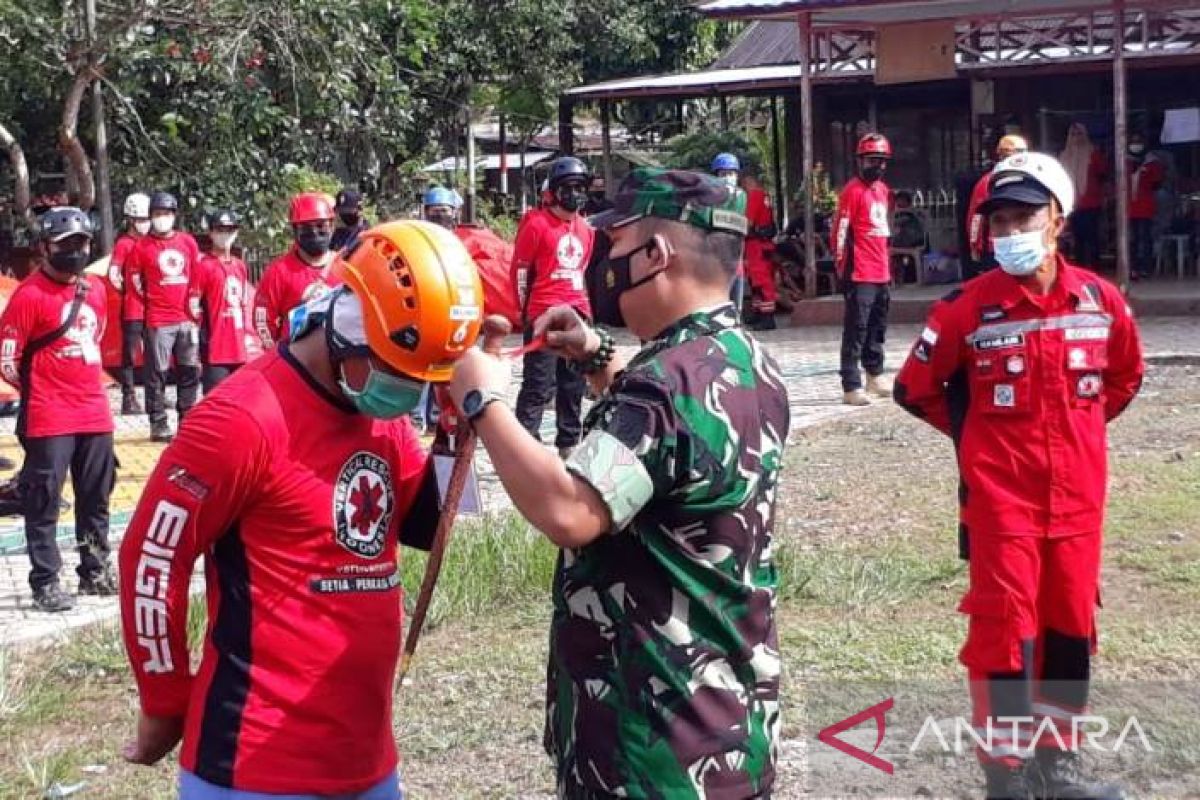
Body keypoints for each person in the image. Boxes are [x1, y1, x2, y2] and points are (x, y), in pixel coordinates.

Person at [447, 167, 787, 799]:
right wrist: (596, 354)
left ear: (656, 256)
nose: (604, 265)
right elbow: (669, 445)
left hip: (653, 746)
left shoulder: (667, 385)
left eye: (618, 248)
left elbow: (570, 509)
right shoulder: (741, 361)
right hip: (724, 725)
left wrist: (481, 401)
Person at [119, 219, 484, 799]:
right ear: (348, 325)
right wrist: (164, 700)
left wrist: (457, 430)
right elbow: (152, 557)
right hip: (258, 769)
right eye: (400, 371)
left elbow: (430, 525)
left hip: (368, 761)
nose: (409, 393)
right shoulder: (242, 418)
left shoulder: (379, 416)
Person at [894, 152, 1143, 800]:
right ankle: (1005, 776)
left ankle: (1058, 769)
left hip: (1078, 504)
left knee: (1068, 633)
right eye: (999, 221)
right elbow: (914, 388)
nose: (1011, 232)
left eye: (1024, 216)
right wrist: (979, 439)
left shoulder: (1101, 301)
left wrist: (1077, 432)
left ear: (1057, 219)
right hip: (1002, 506)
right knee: (1006, 640)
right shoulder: (965, 311)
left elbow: (1121, 379)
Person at [0, 207, 116, 612]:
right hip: (49, 416)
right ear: (46, 248)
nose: (75, 251)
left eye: (81, 244)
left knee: (97, 497)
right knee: (43, 500)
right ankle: (46, 580)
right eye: (65, 245)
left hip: (96, 412)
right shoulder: (28, 296)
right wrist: (44, 386)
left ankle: (95, 569)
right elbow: (8, 360)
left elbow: (97, 336)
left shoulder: (96, 291)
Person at [511, 155, 595, 458]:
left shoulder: (586, 230)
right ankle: (524, 446)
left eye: (580, 187)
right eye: (568, 187)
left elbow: (581, 272)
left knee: (573, 384)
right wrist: (525, 313)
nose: (575, 193)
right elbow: (521, 271)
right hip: (543, 313)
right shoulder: (535, 224)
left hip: (576, 312)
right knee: (538, 384)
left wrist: (586, 315)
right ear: (554, 191)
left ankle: (569, 443)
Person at [130, 191, 201, 443]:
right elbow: (135, 280)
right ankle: (158, 421)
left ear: (174, 216)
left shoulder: (188, 243)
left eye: (166, 214)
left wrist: (193, 300)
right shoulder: (141, 247)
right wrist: (151, 300)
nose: (162, 219)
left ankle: (188, 419)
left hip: (186, 318)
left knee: (189, 370)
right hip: (158, 320)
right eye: (157, 214)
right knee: (156, 373)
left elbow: (196, 274)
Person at [832, 132, 894, 406]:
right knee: (856, 328)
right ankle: (851, 384)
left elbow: (884, 231)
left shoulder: (883, 191)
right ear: (860, 161)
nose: (877, 166)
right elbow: (841, 231)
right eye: (872, 160)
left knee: (877, 326)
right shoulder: (852, 191)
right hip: (859, 271)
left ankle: (875, 373)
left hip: (881, 269)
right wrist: (841, 266)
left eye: (881, 161)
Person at [253, 192, 342, 349]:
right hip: (295, 363)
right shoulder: (278, 271)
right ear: (295, 231)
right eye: (306, 227)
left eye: (321, 225)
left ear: (332, 226)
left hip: (339, 362)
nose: (314, 232)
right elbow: (262, 321)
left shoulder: (347, 267)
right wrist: (277, 356)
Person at [194, 209, 249, 393]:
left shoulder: (240, 266)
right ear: (211, 232)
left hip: (239, 348)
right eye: (220, 229)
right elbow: (193, 308)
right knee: (215, 402)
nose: (225, 234)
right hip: (215, 349)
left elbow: (243, 305)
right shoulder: (204, 266)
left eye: (229, 229)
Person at [109, 192, 150, 415]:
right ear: (131, 220)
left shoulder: (152, 243)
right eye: (141, 219)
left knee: (154, 354)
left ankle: (155, 395)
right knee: (130, 354)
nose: (145, 224)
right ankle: (129, 396)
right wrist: (127, 292)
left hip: (154, 308)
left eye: (147, 219)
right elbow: (114, 273)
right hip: (133, 308)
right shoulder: (124, 244)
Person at [967, 135, 1029, 274]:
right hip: (997, 247)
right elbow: (977, 217)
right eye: (1020, 151)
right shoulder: (988, 182)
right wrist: (975, 245)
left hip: (1025, 244)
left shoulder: (1030, 180)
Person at [1059, 122, 1108, 268]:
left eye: (1079, 134)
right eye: (1073, 135)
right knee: (1077, 238)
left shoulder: (1093, 153)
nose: (1076, 138)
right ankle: (1080, 267)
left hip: (1091, 203)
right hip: (1072, 203)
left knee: (1092, 237)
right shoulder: (1064, 155)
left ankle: (1095, 267)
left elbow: (1103, 174)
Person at [711, 152, 748, 313]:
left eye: (731, 173)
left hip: (735, 253)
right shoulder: (710, 197)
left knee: (735, 301)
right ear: (716, 175)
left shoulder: (741, 196)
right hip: (715, 255)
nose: (728, 177)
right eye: (723, 174)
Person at [742, 173, 779, 331]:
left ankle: (767, 317)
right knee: (757, 281)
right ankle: (759, 313)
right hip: (763, 243)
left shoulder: (754, 195)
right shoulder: (765, 196)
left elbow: (747, 222)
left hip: (756, 244)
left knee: (761, 281)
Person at [1126, 132, 1164, 281]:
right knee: (1132, 240)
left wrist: (1144, 175)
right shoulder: (1125, 162)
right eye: (1133, 142)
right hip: (1129, 208)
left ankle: (1146, 269)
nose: (1136, 145)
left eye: (1138, 142)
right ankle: (1132, 268)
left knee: (1145, 239)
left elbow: (1157, 183)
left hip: (1145, 207)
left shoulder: (1152, 162)